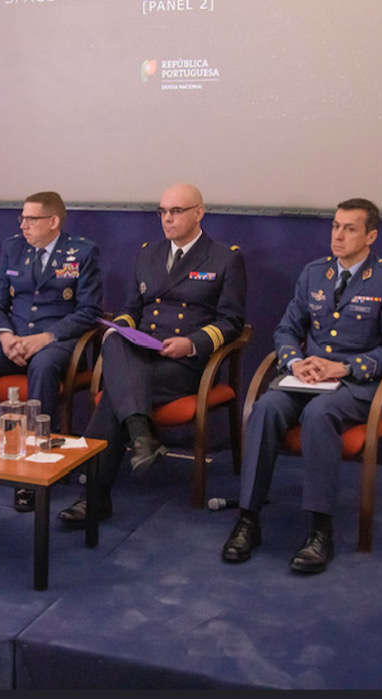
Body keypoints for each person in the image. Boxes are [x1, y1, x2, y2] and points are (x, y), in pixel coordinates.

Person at [221, 198, 382, 574]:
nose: (338, 236)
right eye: (335, 227)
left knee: (319, 414)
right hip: (305, 378)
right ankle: (248, 518)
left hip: (356, 387)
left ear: (371, 235)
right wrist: (295, 361)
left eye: (350, 228)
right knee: (264, 407)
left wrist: (344, 367)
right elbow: (287, 329)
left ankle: (319, 529)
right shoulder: (315, 273)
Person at [58, 183, 246, 525]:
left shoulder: (224, 257)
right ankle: (140, 436)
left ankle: (96, 495)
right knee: (113, 338)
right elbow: (131, 309)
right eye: (162, 212)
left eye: (176, 211)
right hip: (142, 353)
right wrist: (123, 327)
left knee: (115, 393)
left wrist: (191, 343)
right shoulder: (148, 253)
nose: (167, 219)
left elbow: (232, 322)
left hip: (185, 363)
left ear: (199, 213)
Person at [0, 191, 103, 510]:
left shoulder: (82, 252)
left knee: (42, 367)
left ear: (53, 222)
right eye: (22, 218)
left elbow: (88, 311)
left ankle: (33, 466)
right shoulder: (12, 247)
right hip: (11, 338)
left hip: (55, 344)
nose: (23, 225)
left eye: (31, 219)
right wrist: (4, 336)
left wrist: (46, 337)